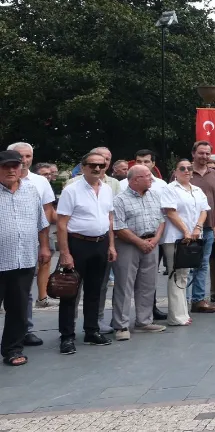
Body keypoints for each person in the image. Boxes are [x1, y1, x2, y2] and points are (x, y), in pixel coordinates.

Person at [56, 151, 117, 354]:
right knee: (70, 291)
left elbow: (109, 218)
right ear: (83, 167)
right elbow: (62, 224)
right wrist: (65, 253)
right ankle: (67, 336)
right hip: (78, 243)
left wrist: (111, 245)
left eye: (101, 165)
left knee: (95, 290)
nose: (97, 169)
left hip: (100, 243)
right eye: (92, 165)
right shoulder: (71, 190)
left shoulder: (107, 189)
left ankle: (91, 330)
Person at [0, 150, 50, 366]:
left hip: (24, 259)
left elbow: (42, 223)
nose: (11, 170)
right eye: (6, 166)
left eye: (15, 166)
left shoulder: (30, 191)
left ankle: (12, 349)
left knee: (19, 308)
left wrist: (45, 247)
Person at [110, 165, 166, 340]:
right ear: (135, 179)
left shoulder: (155, 195)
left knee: (148, 284)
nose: (151, 179)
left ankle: (143, 321)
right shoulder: (120, 200)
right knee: (124, 285)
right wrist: (140, 242)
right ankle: (121, 326)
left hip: (151, 243)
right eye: (148, 176)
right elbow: (118, 227)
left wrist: (155, 239)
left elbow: (161, 219)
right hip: (128, 244)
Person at [7, 142, 55, 343]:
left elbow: (46, 211)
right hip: (6, 246)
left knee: (23, 291)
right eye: (20, 156)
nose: (24, 160)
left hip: (30, 243)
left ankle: (24, 330)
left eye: (28, 156)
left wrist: (42, 242)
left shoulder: (39, 182)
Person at [160, 160, 208, 328]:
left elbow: (204, 210)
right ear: (176, 171)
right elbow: (170, 212)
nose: (186, 171)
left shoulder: (197, 189)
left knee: (184, 274)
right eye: (182, 168)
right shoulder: (169, 189)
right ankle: (176, 316)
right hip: (175, 238)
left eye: (189, 168)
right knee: (176, 274)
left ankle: (183, 312)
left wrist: (197, 228)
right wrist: (186, 231)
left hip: (193, 236)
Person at [188, 141, 215, 313]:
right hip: (187, 228)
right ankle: (183, 301)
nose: (205, 156)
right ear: (193, 153)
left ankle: (198, 300)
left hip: (208, 227)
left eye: (208, 153)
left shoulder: (213, 174)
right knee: (186, 266)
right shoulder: (184, 171)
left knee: (202, 265)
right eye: (201, 153)